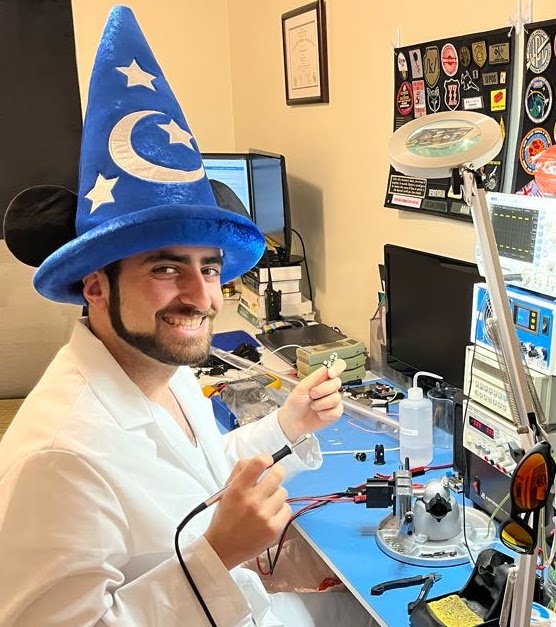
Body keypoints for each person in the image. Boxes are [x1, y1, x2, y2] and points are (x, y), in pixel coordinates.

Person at [0, 6, 370, 626]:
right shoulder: (59, 458)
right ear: (96, 285)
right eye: (166, 268)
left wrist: (286, 423)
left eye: (210, 267)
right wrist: (220, 554)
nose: (201, 295)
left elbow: (195, 472)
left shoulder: (161, 372)